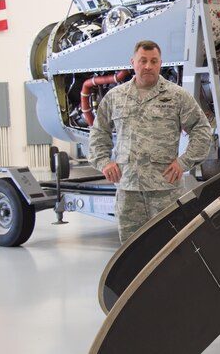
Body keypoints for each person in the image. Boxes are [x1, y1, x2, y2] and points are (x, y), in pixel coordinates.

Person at [90, 40, 213, 244]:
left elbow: (202, 129)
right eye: (143, 60)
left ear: (160, 63)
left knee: (171, 249)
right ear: (133, 62)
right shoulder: (116, 97)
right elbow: (99, 132)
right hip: (129, 192)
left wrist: (184, 162)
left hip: (165, 192)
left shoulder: (176, 96)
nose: (148, 66)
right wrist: (104, 162)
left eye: (153, 61)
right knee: (130, 252)